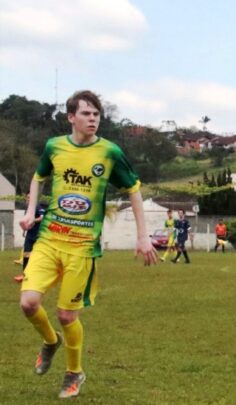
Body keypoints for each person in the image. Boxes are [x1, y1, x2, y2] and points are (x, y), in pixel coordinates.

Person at [18, 90, 157, 399]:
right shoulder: (54, 147)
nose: (93, 119)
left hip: (82, 247)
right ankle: (51, 342)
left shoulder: (109, 152)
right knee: (28, 303)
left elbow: (134, 189)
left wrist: (142, 234)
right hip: (49, 239)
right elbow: (38, 177)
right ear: (71, 117)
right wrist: (30, 212)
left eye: (96, 114)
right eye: (86, 114)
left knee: (68, 316)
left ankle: (73, 372)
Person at [14, 194, 46, 282]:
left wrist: (33, 220)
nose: (27, 199)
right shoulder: (28, 210)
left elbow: (42, 217)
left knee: (38, 256)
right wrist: (24, 230)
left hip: (38, 236)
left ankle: (37, 275)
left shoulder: (38, 207)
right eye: (27, 198)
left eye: (29, 198)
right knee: (26, 254)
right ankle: (24, 274)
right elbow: (26, 222)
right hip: (29, 235)